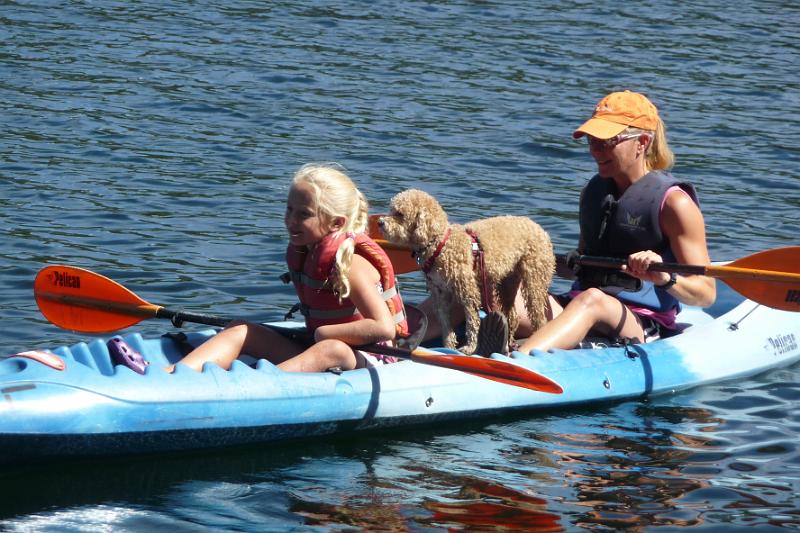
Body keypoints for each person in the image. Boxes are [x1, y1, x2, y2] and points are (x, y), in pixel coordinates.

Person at [514, 90, 716, 353]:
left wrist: (664, 278)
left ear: (642, 142)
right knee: (501, 289)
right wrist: (533, 264)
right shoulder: (592, 194)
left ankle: (517, 363)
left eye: (607, 140)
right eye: (591, 140)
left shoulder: (675, 204)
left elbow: (706, 293)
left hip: (640, 321)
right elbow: (584, 268)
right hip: (580, 304)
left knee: (593, 300)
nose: (595, 150)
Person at [167, 163, 409, 373]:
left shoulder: (352, 265)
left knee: (330, 348)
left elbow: (384, 327)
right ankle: (173, 375)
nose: (291, 220)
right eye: (289, 209)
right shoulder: (310, 252)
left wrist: (324, 334)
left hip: (371, 358)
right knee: (241, 329)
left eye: (304, 214)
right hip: (321, 346)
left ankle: (249, 384)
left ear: (336, 223)